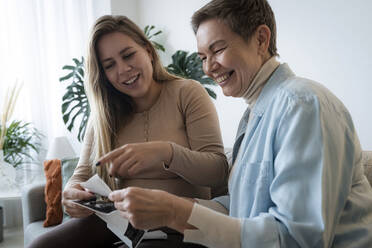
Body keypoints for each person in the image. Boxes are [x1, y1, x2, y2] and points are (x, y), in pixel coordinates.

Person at [106, 0, 372, 247]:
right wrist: (180, 206)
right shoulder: (257, 113)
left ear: (260, 39)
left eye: (217, 49)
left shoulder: (301, 105)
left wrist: (175, 212)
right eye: (202, 57)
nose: (208, 68)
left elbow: (297, 238)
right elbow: (245, 207)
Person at [28, 15, 228, 248]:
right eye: (109, 65)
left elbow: (217, 171)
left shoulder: (187, 93)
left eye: (128, 55)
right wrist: (71, 194)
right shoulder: (104, 114)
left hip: (177, 223)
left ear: (148, 51)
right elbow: (81, 174)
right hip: (120, 223)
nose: (123, 70)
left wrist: (166, 153)